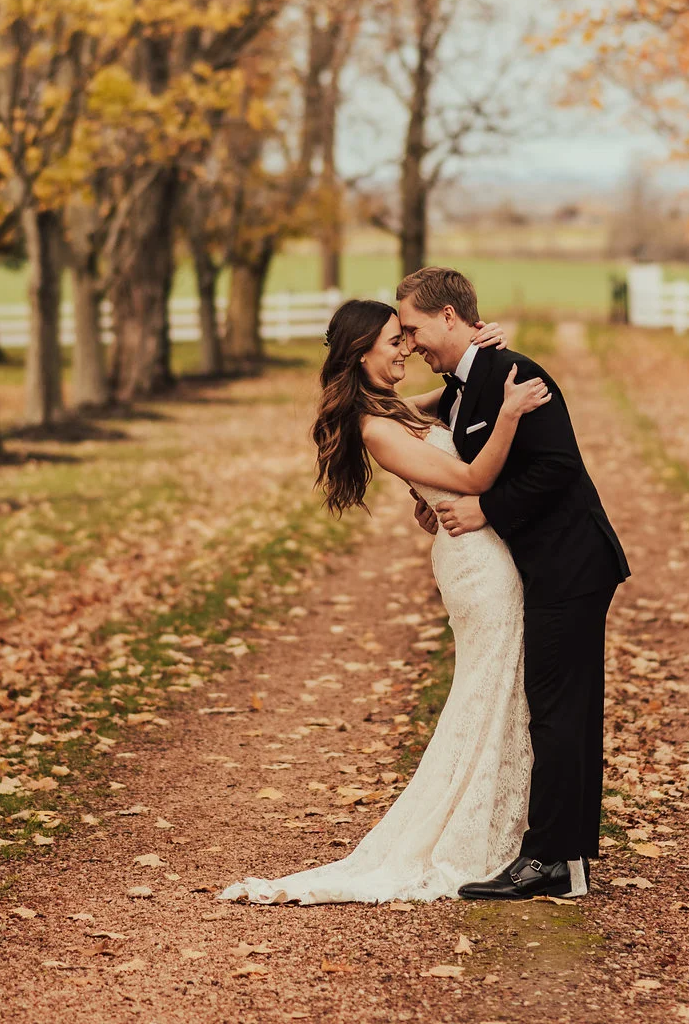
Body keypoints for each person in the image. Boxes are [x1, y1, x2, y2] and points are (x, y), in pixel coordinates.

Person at [220, 300, 544, 904]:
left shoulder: (387, 410)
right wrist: (509, 412)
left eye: (408, 337)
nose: (407, 350)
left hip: (480, 553)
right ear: (362, 350)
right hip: (477, 568)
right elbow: (472, 480)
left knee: (499, 688)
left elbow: (451, 402)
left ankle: (507, 821)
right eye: (395, 341)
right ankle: (473, 833)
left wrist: (480, 349)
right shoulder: (375, 427)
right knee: (488, 689)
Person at [395, 266, 629, 901]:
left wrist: (484, 510)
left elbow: (557, 468)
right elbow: (467, 454)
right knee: (555, 708)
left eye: (415, 328)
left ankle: (554, 862)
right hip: (546, 566)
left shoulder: (516, 375)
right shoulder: (464, 385)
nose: (411, 344)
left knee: (559, 711)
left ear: (450, 317)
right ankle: (567, 856)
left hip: (573, 563)